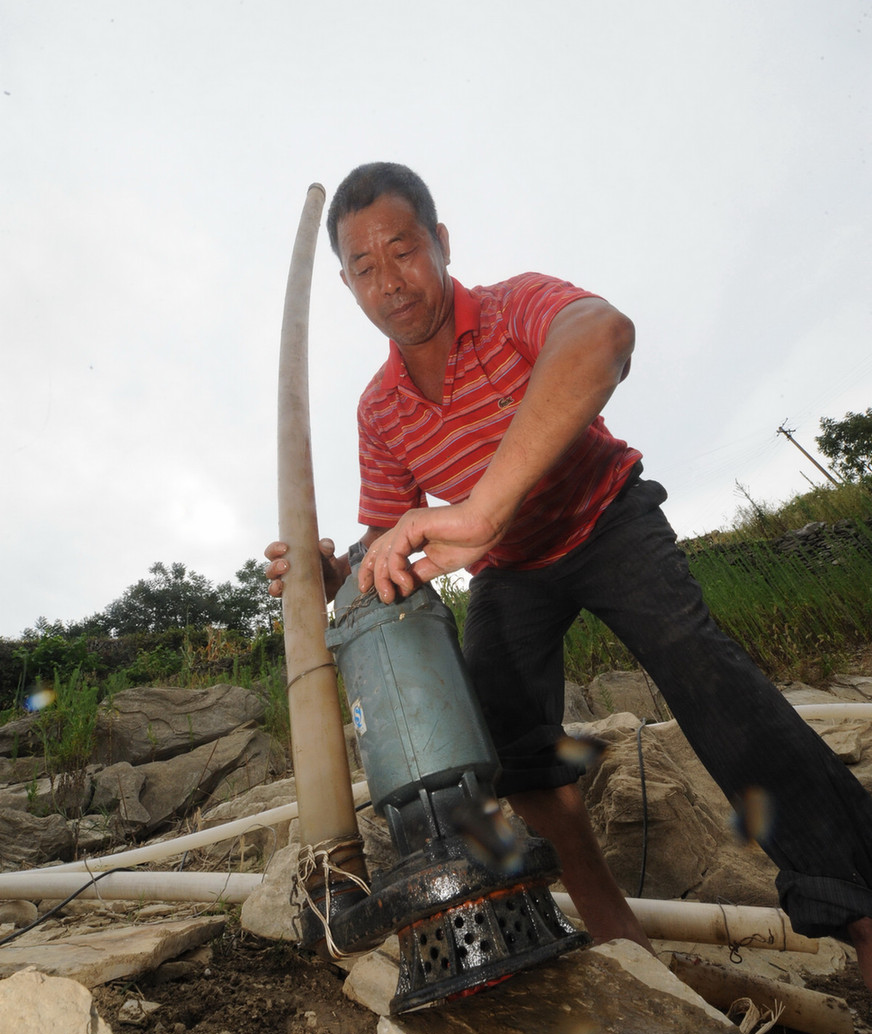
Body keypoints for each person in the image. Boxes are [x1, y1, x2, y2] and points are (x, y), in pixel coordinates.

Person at [266, 161, 872, 985]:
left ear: (441, 244)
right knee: (505, 742)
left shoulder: (515, 304)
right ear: (345, 285)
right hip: (511, 570)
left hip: (605, 517)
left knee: (705, 672)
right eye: (364, 269)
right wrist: (334, 570)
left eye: (403, 251)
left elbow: (602, 334)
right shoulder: (380, 409)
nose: (389, 282)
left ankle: (860, 904)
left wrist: (479, 510)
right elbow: (389, 539)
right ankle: (617, 937)